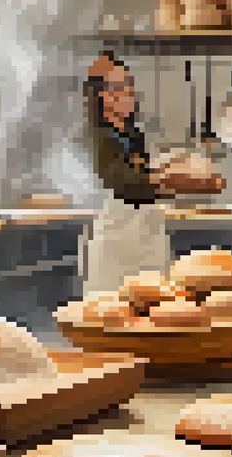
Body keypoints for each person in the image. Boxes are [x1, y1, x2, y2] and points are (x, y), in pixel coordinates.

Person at [83, 52, 224, 295]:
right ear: (101, 95)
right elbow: (126, 182)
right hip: (116, 241)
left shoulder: (133, 134)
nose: (127, 93)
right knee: (113, 311)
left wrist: (181, 176)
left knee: (157, 307)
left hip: (146, 234)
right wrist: (180, 179)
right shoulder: (99, 138)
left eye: (128, 86)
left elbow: (146, 179)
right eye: (118, 88)